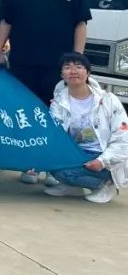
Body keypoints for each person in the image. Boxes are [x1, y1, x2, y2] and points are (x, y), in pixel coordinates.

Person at [0, 0, 91, 185]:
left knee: (58, 115)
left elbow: (80, 24)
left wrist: (77, 58)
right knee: (28, 112)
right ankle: (30, 164)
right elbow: (6, 22)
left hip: (58, 65)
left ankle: (54, 167)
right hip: (23, 62)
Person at [45, 53, 126, 203]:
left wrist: (102, 161)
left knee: (66, 172)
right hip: (77, 153)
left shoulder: (108, 100)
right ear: (62, 75)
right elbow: (55, 135)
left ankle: (106, 184)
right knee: (54, 169)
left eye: (79, 67)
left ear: (88, 73)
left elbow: (123, 137)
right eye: (67, 67)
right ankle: (72, 186)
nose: (73, 71)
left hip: (103, 155)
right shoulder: (58, 103)